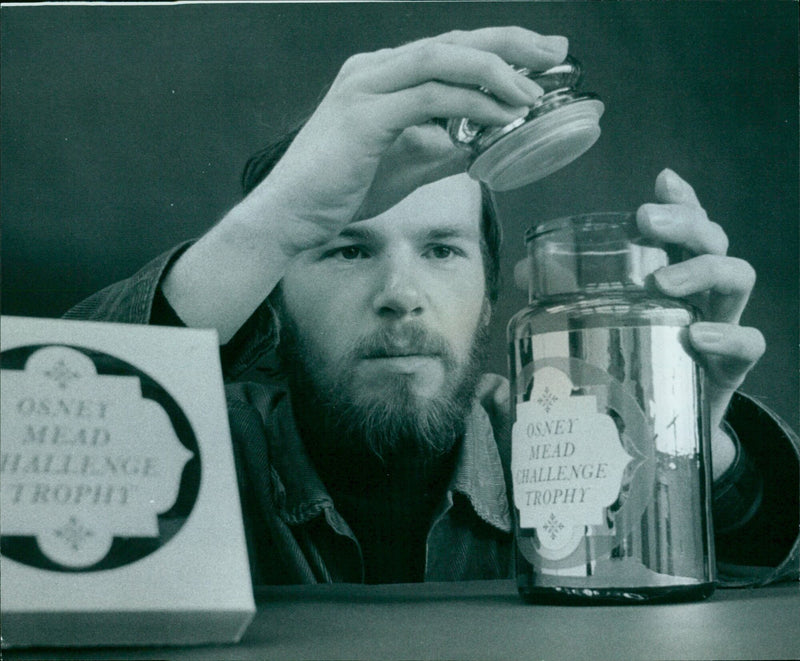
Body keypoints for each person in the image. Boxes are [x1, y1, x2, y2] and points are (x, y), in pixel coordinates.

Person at [66, 27, 798, 586]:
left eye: (443, 250)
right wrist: (276, 222)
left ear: (487, 294)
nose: (401, 298)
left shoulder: (572, 447)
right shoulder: (194, 447)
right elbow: (42, 432)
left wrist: (691, 458)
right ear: (272, 299)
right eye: (346, 250)